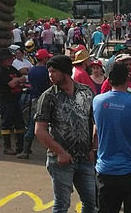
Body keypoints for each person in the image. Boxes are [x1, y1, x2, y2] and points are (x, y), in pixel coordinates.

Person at [35, 54, 97, 213]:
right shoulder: (48, 97)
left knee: (91, 203)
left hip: (85, 158)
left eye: (54, 71)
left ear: (65, 72)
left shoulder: (86, 92)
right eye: (49, 71)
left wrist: (93, 148)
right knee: (62, 205)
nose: (50, 75)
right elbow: (40, 131)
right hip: (61, 161)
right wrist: (60, 152)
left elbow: (95, 122)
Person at [93, 62, 131, 213]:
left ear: (108, 80)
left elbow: (96, 130)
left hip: (107, 170)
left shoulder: (98, 101)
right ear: (127, 79)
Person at [0, 46, 28, 155]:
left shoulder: (12, 69)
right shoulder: (0, 71)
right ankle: (7, 147)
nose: (11, 60)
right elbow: (11, 84)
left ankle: (20, 146)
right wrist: (17, 81)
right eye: (9, 58)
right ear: (3, 60)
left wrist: (17, 80)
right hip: (6, 101)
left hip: (16, 100)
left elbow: (23, 78)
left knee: (19, 123)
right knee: (6, 123)